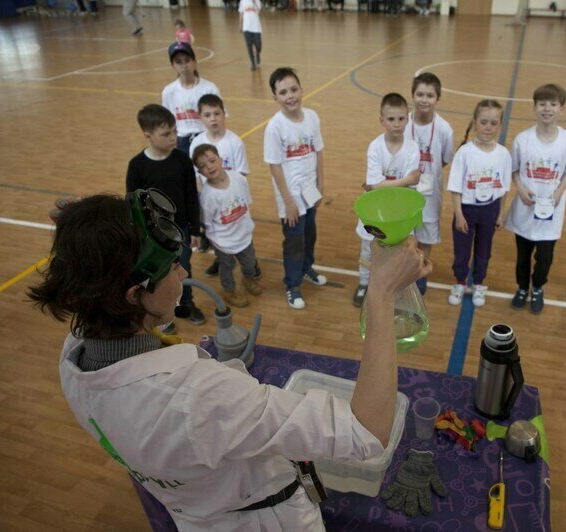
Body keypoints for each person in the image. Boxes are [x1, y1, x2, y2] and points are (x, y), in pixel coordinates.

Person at [27, 192, 432, 531]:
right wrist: (381, 292)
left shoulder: (76, 356)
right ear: (135, 295)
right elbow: (366, 434)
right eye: (172, 267)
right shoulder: (198, 398)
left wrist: (84, 231)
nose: (184, 271)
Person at [126, 104, 205, 328]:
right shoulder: (137, 166)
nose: (174, 137)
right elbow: (133, 205)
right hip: (153, 238)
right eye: (166, 134)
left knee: (182, 270)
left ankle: (187, 303)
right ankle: (161, 314)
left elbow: (191, 195)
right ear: (148, 135)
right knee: (157, 278)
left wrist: (196, 229)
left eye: (174, 131)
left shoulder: (181, 159)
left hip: (181, 231)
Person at [503, 84, 566, 314]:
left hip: (551, 211)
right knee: (522, 256)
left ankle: (538, 287)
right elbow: (514, 169)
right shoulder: (522, 140)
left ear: (561, 108)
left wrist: (558, 193)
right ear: (534, 107)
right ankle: (522, 288)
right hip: (525, 209)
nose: (548, 109)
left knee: (544, 257)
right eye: (543, 104)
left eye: (553, 104)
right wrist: (520, 188)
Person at [263, 67, 327, 310]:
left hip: (310, 192)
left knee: (310, 233)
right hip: (290, 197)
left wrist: (321, 184)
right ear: (275, 97)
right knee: (294, 240)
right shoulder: (275, 127)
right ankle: (292, 284)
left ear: (301, 89)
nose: (290, 96)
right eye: (283, 92)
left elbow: (319, 152)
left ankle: (306, 267)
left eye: (293, 89)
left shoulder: (312, 117)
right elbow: (275, 167)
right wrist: (288, 202)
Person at [353, 93, 421, 307]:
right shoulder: (375, 147)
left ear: (407, 119)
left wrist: (380, 184)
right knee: (368, 249)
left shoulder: (412, 148)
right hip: (375, 212)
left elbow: (382, 185)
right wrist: (405, 179)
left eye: (401, 118)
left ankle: (397, 286)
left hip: (401, 213)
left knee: (400, 251)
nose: (396, 124)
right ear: (381, 120)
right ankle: (364, 283)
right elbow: (374, 186)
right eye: (391, 119)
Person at [446, 99, 512, 308]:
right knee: (462, 251)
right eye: (484, 122)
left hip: (490, 210)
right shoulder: (464, 152)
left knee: (484, 251)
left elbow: (503, 189)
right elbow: (455, 187)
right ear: (475, 122)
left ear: (500, 126)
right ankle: (459, 282)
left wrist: (501, 214)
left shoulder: (503, 154)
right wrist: (459, 214)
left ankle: (479, 283)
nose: (488, 128)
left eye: (494, 123)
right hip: (466, 210)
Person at [192, 144, 262, 308]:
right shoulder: (208, 196)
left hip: (244, 235)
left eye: (211, 160)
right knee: (227, 267)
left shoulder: (238, 178)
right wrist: (215, 241)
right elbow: (207, 222)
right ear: (200, 172)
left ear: (221, 160)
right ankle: (229, 290)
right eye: (203, 166)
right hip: (223, 242)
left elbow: (246, 201)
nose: (209, 166)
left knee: (250, 262)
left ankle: (248, 278)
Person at [190, 94, 251, 278]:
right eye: (207, 115)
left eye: (217, 113)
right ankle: (220, 258)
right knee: (217, 232)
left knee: (241, 228)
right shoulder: (197, 143)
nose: (213, 118)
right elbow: (196, 176)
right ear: (200, 117)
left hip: (233, 197)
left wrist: (235, 196)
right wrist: (206, 196)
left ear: (224, 114)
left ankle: (249, 262)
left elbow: (241, 173)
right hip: (213, 199)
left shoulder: (235, 142)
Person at [404, 72, 454, 295]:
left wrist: (426, 173)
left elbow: (444, 159)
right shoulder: (403, 123)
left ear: (438, 98)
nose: (424, 100)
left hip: (430, 192)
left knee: (425, 235)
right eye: (420, 94)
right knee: (405, 233)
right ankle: (404, 272)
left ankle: (421, 272)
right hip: (404, 190)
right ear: (412, 95)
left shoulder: (444, 129)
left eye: (430, 95)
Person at [162, 42, 222, 156]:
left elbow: (220, 119)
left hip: (205, 139)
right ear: (172, 65)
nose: (184, 65)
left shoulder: (209, 88)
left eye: (187, 60)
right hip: (181, 142)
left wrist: (219, 143)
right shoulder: (168, 92)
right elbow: (168, 123)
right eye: (178, 62)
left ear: (195, 62)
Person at [238, 0, 262, 71]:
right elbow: (241, 13)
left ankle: (257, 53)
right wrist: (240, 25)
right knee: (249, 46)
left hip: (256, 27)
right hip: (246, 27)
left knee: (258, 45)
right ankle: (252, 63)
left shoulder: (257, 1)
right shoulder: (242, 1)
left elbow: (258, 11)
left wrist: (254, 3)